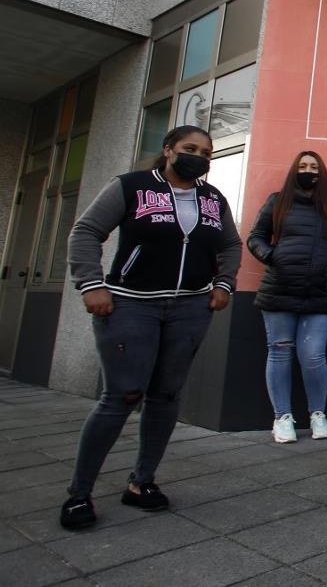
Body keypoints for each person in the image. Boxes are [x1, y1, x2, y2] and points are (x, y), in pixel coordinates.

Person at [60, 125, 241, 530]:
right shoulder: (133, 186)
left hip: (190, 308)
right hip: (130, 306)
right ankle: (79, 493)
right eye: (190, 148)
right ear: (168, 150)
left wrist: (224, 283)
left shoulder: (213, 198)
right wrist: (91, 284)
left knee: (165, 395)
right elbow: (86, 232)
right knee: (121, 396)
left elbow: (230, 244)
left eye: (206, 152)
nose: (199, 156)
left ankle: (141, 483)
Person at [247, 151, 327, 444]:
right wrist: (273, 256)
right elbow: (256, 237)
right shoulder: (278, 201)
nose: (308, 171)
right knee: (279, 351)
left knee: (313, 355)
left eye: (314, 166)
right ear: (294, 171)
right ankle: (282, 417)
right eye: (303, 166)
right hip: (280, 289)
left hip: (320, 292)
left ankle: (318, 414)